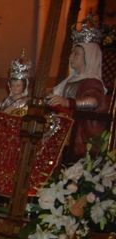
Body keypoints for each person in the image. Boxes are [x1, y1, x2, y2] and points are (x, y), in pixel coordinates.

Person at [47, 19, 107, 159]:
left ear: (89, 57)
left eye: (76, 53)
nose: (71, 57)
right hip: (64, 126)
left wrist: (68, 103)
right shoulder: (70, 81)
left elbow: (93, 101)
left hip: (81, 132)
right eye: (72, 53)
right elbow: (57, 95)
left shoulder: (92, 81)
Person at [0, 50, 31, 116]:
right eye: (12, 85)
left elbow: (5, 113)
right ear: (9, 85)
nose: (14, 88)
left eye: (18, 85)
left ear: (24, 86)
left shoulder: (24, 102)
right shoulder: (6, 100)